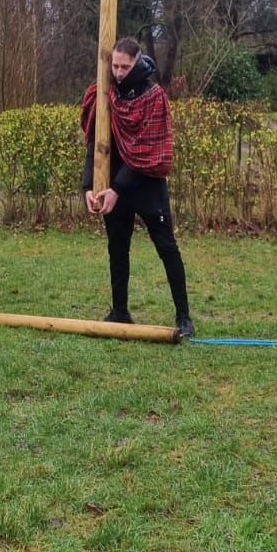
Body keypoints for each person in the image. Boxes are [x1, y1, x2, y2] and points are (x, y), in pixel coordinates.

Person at [81, 37, 194, 336]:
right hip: (113, 187)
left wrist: (117, 189)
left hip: (146, 185)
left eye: (125, 67)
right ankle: (120, 311)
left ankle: (184, 316)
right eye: (115, 66)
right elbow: (94, 142)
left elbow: (146, 150)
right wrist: (89, 185)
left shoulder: (153, 96)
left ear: (137, 62)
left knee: (166, 247)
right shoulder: (104, 93)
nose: (118, 72)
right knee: (117, 248)